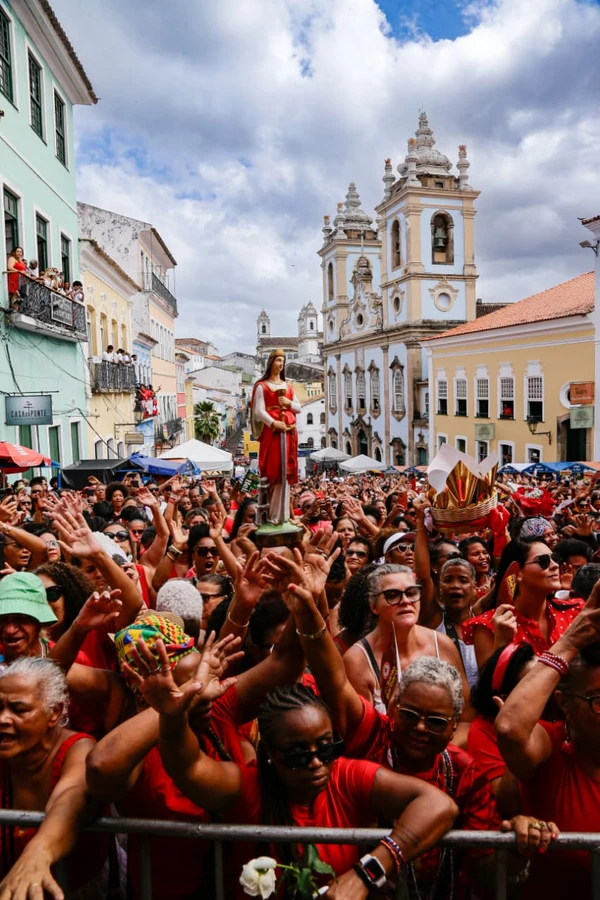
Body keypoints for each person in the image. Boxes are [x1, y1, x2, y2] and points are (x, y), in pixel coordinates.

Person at [279, 566, 553, 897]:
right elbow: (333, 680)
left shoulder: (466, 774)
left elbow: (485, 867)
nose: (421, 728)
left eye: (436, 722)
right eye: (410, 715)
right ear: (392, 708)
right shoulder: (373, 736)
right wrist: (310, 612)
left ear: (454, 724)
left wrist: (516, 846)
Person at [495, 592, 600, 897]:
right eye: (598, 701)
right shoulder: (549, 745)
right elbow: (509, 729)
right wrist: (567, 645)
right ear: (564, 704)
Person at [0, 657, 107, 897]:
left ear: (54, 712)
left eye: (19, 709)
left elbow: (71, 797)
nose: (3, 719)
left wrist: (37, 854)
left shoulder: (80, 750)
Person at [342, 564, 472, 733]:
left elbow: (467, 719)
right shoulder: (358, 660)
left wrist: (441, 755)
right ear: (374, 606)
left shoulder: (443, 644)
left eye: (411, 593)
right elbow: (363, 736)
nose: (405, 601)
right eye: (392, 595)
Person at [463, 538, 585, 669]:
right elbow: (490, 687)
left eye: (554, 558)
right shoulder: (489, 626)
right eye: (543, 561)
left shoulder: (576, 611)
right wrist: (502, 643)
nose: (555, 565)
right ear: (517, 572)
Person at [250, 349, 300, 524]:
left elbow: (298, 407)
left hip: (289, 433)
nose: (281, 364)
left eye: (283, 361)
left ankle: (284, 515)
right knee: (274, 471)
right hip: (273, 434)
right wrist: (273, 423)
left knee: (286, 473)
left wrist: (288, 403)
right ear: (271, 362)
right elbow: (258, 411)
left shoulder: (288, 386)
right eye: (278, 360)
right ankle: (273, 515)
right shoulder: (262, 386)